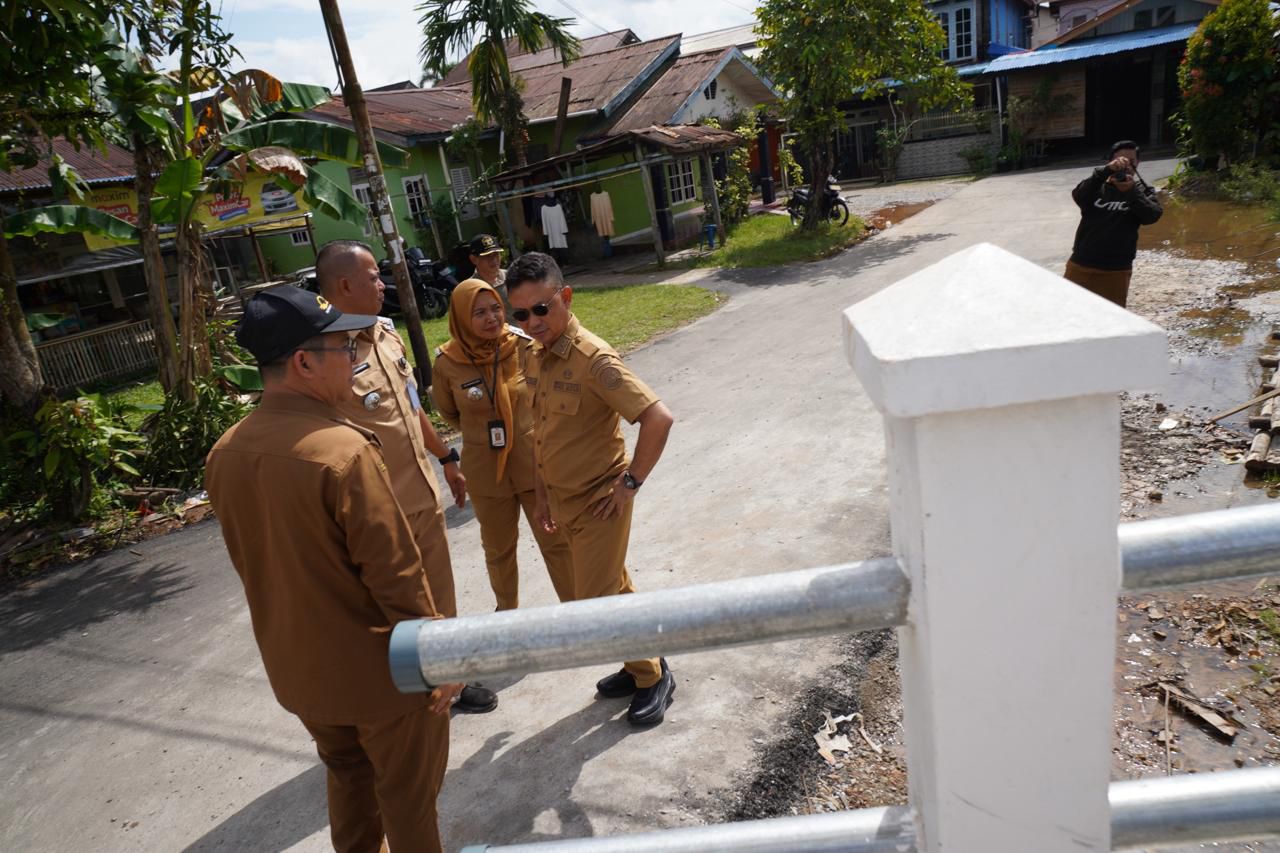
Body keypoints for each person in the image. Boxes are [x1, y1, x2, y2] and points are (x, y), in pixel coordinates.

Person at [206, 285, 461, 853]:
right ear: (303, 362)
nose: (355, 359)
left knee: (349, 778)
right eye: (344, 348)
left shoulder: (225, 451)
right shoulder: (341, 451)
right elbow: (395, 575)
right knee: (407, 799)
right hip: (380, 677)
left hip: (300, 673)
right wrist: (440, 658)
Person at [316, 239, 497, 714]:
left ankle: (451, 682)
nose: (383, 283)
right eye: (374, 276)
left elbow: (411, 408)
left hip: (421, 495)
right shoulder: (325, 351)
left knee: (440, 594)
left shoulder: (385, 333)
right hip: (376, 509)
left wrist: (447, 458)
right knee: (394, 607)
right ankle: (410, 694)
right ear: (343, 285)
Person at [506, 252, 678, 726]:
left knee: (593, 605)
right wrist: (542, 496)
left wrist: (630, 484)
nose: (533, 321)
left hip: (601, 500)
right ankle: (637, 660)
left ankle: (652, 674)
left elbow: (657, 419)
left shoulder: (592, 358)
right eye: (521, 314)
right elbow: (542, 434)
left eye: (542, 308)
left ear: (565, 297)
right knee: (611, 586)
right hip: (561, 499)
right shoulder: (537, 356)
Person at [431, 278, 576, 610]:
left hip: (532, 465)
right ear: (461, 318)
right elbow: (450, 412)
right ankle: (507, 615)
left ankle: (577, 610)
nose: (492, 318)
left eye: (496, 308)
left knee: (555, 543)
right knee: (498, 551)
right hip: (486, 473)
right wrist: (484, 433)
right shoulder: (447, 363)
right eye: (479, 312)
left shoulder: (524, 345)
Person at [1064, 139, 1163, 307]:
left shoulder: (1142, 190)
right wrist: (1105, 172)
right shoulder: (1096, 188)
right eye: (1119, 162)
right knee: (1069, 311)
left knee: (1113, 319)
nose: (1126, 166)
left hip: (1117, 269)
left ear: (1138, 163)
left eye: (1131, 161)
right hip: (1082, 264)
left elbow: (1152, 216)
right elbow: (1079, 195)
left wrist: (1131, 192)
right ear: (1109, 162)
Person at [468, 233, 508, 312]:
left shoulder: (512, 277)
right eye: (487, 256)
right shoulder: (470, 288)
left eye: (496, 254)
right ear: (474, 259)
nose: (493, 260)